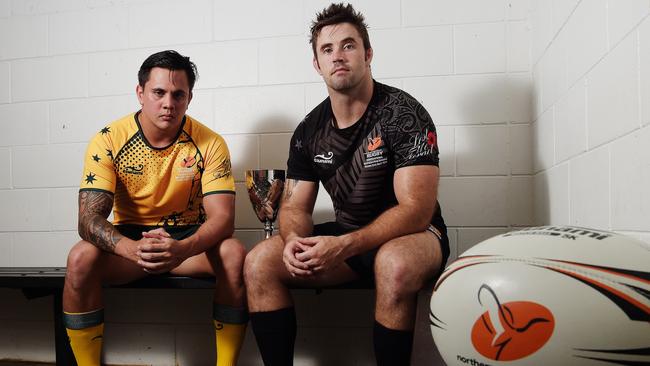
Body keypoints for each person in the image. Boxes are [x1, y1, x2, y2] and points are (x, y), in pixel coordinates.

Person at [244, 3, 450, 365]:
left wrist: (344, 244)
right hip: (348, 237)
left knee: (394, 262)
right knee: (259, 260)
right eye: (327, 49)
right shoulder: (309, 131)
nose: (338, 56)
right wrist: (293, 242)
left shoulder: (403, 113)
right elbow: (294, 206)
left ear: (368, 54)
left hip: (417, 236)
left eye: (349, 45)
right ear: (317, 64)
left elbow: (416, 211)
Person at [63, 50, 247, 366]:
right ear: (140, 93)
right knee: (80, 258)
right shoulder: (109, 140)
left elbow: (223, 220)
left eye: (179, 94)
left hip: (188, 245)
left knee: (234, 253)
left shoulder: (210, 143)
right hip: (132, 245)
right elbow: (88, 219)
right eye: (158, 92)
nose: (168, 103)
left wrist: (181, 248)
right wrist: (132, 249)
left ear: (189, 98)